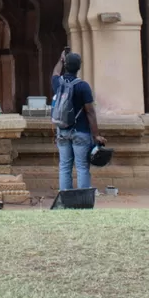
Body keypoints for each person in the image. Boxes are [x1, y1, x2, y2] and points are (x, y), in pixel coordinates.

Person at [50, 47, 106, 191]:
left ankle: (66, 198)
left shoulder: (58, 83)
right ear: (79, 67)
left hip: (62, 131)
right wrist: (96, 135)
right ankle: (83, 199)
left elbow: (55, 72)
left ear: (66, 66)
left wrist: (61, 59)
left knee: (64, 166)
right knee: (81, 167)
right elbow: (90, 112)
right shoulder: (83, 86)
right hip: (80, 131)